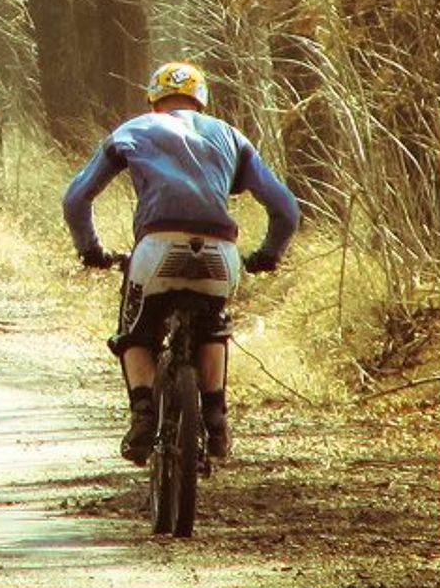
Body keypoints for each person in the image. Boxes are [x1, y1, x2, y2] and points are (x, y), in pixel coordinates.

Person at [62, 61, 300, 464]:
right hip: (220, 253)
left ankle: (142, 417)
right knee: (214, 325)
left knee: (135, 332)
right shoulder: (231, 136)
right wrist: (267, 256)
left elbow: (75, 199)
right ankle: (215, 418)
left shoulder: (134, 129)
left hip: (156, 247)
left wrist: (91, 250)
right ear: (201, 101)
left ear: (153, 99)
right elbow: (286, 209)